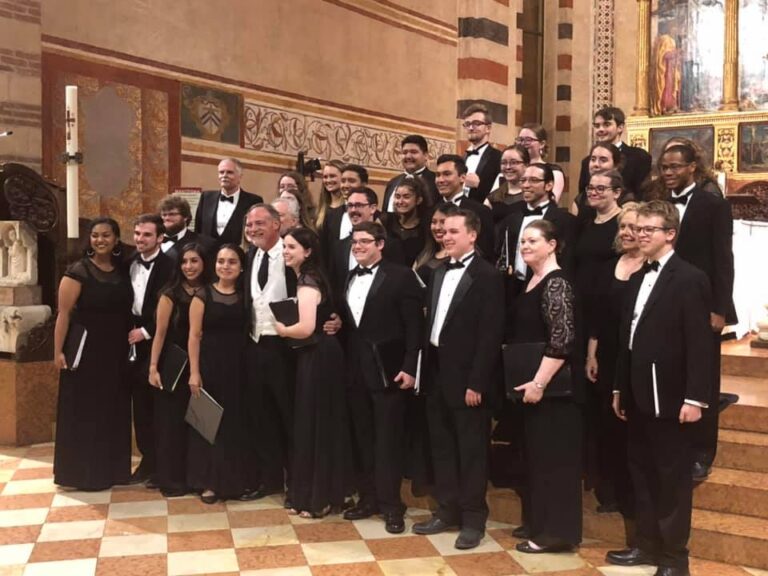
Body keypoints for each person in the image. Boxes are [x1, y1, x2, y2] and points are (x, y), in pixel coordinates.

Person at [607, 200, 712, 576]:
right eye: (639, 229)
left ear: (670, 233)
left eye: (649, 229)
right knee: (642, 473)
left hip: (671, 397)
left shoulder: (689, 278)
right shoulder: (638, 277)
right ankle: (646, 545)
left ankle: (673, 559)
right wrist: (619, 387)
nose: (640, 235)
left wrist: (695, 398)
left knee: (670, 479)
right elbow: (627, 339)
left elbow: (700, 345)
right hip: (636, 392)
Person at [412, 209, 504, 550]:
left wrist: (477, 383)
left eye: (453, 231)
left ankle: (473, 519)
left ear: (473, 235)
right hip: (437, 373)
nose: (446, 236)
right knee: (443, 448)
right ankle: (446, 510)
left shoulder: (488, 276)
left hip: (468, 380)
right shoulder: (436, 272)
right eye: (443, 232)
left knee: (471, 451)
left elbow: (490, 335)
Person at [658, 144, 736, 481]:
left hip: (703, 303)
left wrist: (720, 309)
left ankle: (703, 452)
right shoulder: (660, 204)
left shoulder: (712, 203)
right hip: (667, 299)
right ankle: (674, 443)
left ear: (693, 167)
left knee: (703, 377)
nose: (669, 172)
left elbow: (723, 259)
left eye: (675, 166)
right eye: (664, 167)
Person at [340, 222, 423, 533]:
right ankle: (368, 498)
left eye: (364, 241)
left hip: (389, 371)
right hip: (355, 372)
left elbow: (414, 327)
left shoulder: (401, 276)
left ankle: (392, 505)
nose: (358, 246)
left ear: (380, 244)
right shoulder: (349, 277)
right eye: (354, 242)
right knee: (362, 438)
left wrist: (410, 367)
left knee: (388, 440)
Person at [508, 219, 581, 554]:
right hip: (532, 387)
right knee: (537, 458)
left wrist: (539, 382)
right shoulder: (530, 281)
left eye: (533, 240)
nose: (525, 246)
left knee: (554, 460)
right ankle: (541, 523)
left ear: (553, 244)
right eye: (523, 241)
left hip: (552, 390)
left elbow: (562, 340)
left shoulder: (557, 283)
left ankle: (556, 532)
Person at [53, 217, 133, 490]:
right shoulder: (78, 271)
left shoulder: (123, 269)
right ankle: (83, 473)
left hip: (116, 350)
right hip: (86, 351)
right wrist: (58, 352)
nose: (101, 240)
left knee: (113, 408)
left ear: (116, 239)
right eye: (96, 236)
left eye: (106, 235)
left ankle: (113, 470)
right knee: (86, 411)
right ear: (90, 239)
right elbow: (63, 315)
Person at [275, 227, 346, 518]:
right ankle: (311, 496)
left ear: (308, 251)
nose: (286, 252)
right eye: (284, 247)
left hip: (319, 355)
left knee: (317, 426)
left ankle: (319, 498)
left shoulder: (307, 280)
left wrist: (281, 329)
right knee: (312, 425)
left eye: (291, 247)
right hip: (317, 354)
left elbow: (304, 328)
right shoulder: (310, 277)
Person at [584, 203, 644, 520]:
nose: (627, 232)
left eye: (634, 227)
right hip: (606, 355)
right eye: (623, 227)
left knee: (630, 427)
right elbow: (597, 315)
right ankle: (609, 490)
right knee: (606, 423)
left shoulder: (651, 268)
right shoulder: (608, 266)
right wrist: (591, 353)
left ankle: (631, 493)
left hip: (636, 358)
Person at [242, 204, 297, 504]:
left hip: (284, 348)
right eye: (249, 225)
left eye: (259, 223)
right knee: (261, 416)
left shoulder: (289, 255)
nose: (252, 229)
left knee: (288, 415)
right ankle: (269, 478)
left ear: (277, 224)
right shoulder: (251, 255)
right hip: (255, 344)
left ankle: (296, 482)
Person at [187, 244, 251, 503]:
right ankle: (208, 483)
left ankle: (235, 481)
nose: (225, 266)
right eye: (221, 261)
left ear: (241, 267)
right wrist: (194, 372)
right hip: (209, 366)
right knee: (207, 425)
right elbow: (193, 335)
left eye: (232, 262)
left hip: (238, 366)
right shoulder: (202, 296)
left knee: (234, 425)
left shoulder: (246, 295)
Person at [147, 243, 208, 497]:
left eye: (194, 261)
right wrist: (152, 367)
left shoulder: (209, 291)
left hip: (203, 362)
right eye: (184, 262)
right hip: (174, 364)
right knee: (171, 424)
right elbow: (159, 334)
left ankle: (198, 477)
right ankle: (172, 479)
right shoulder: (170, 294)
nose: (189, 267)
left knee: (200, 424)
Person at [126, 214, 174, 486]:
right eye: (137, 233)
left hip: (157, 341)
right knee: (140, 406)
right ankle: (146, 460)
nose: (140, 239)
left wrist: (145, 332)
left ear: (159, 238)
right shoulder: (128, 263)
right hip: (130, 344)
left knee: (157, 407)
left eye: (146, 235)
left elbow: (171, 306)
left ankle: (160, 464)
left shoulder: (170, 265)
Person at [496, 163, 576, 302]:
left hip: (548, 289)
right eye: (523, 180)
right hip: (513, 290)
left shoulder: (566, 221)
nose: (526, 185)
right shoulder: (511, 219)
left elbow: (568, 261)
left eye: (533, 180)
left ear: (549, 185)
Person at [328, 187, 404, 298]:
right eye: (350, 206)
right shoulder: (339, 246)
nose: (353, 210)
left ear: (373, 208)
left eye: (358, 205)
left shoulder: (392, 245)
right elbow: (334, 285)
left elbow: (398, 284)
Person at [577, 107, 652, 201]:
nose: (600, 129)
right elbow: (583, 195)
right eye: (597, 126)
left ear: (620, 127)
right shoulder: (587, 161)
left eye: (606, 124)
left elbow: (644, 194)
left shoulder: (639, 157)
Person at [434, 154, 494, 260]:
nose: (440, 180)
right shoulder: (431, 210)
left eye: (447, 174)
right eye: (438, 175)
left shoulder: (481, 211)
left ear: (462, 178)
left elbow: (487, 253)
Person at [193, 157, 263, 247]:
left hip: (238, 256)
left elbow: (257, 233)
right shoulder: (206, 197)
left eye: (229, 172)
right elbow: (198, 230)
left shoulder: (253, 201)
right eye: (221, 172)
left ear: (240, 176)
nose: (224, 175)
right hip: (207, 256)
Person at [382, 134, 438, 212]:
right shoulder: (393, 182)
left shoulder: (436, 181)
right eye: (404, 152)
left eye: (413, 152)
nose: (408, 156)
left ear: (426, 155)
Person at [569, 142, 624, 220]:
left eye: (603, 160)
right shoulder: (581, 199)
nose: (596, 164)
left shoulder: (626, 200)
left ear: (616, 166)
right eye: (593, 159)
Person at [382, 177, 429, 267]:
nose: (400, 201)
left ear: (419, 200)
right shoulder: (385, 220)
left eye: (406, 197)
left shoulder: (425, 227)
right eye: (397, 196)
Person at [461, 103, 502, 203]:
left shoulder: (498, 157)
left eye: (476, 123)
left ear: (488, 128)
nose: (470, 128)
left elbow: (502, 192)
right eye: (467, 124)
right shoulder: (462, 158)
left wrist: (479, 185)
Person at [516, 124, 565, 202]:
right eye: (520, 140)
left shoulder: (554, 171)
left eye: (528, 140)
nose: (523, 144)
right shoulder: (514, 170)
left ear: (542, 144)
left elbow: (552, 201)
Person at [158, 195, 215, 261]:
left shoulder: (206, 244)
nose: (167, 218)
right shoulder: (151, 241)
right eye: (164, 215)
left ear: (185, 217)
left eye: (172, 214)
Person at [484, 144, 529, 223]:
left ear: (526, 165)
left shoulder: (534, 196)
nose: (508, 167)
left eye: (514, 162)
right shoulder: (493, 198)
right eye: (504, 163)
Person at [414, 203, 452, 286]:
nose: (437, 227)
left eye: (443, 222)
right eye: (434, 222)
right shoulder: (425, 254)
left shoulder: (460, 258)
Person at [316, 160, 346, 233]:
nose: (328, 180)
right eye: (325, 177)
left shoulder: (349, 206)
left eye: (332, 176)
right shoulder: (322, 207)